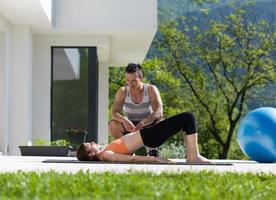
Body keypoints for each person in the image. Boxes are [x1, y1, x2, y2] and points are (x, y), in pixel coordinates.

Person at [77, 112, 211, 164]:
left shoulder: (104, 152)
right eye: (90, 144)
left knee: (187, 120)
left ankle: (192, 155)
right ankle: (193, 156)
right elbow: (131, 158)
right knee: (189, 117)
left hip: (148, 134)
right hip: (150, 137)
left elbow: (128, 152)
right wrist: (156, 159)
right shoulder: (106, 155)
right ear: (91, 154)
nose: (93, 142)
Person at [109, 63, 163, 157]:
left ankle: (152, 149)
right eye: (127, 80)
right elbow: (114, 113)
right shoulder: (123, 91)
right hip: (130, 126)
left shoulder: (151, 89)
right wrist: (124, 120)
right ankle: (127, 149)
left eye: (133, 80)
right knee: (113, 124)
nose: (130, 83)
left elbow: (159, 112)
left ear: (141, 78)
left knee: (161, 122)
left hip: (147, 125)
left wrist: (143, 123)